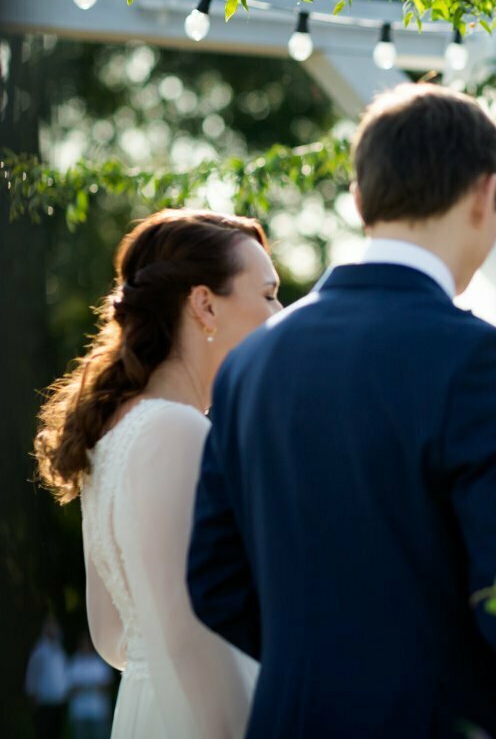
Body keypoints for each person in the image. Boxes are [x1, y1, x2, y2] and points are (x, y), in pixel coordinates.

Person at [187, 83, 496, 739]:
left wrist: (319, 668)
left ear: (360, 198)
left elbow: (214, 579)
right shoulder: (477, 358)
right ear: (485, 195)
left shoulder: (252, 362)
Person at [33, 208, 276, 738]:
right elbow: (191, 635)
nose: (280, 313)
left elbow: (112, 638)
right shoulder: (176, 431)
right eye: (268, 294)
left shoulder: (114, 435)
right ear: (205, 305)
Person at [24, 614, 69, 739]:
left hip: (58, 704)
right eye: (50, 625)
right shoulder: (39, 652)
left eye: (55, 625)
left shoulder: (60, 651)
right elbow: (32, 676)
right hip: (43, 704)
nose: (53, 628)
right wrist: (33, 698)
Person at [67, 631, 115, 739]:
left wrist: (96, 687)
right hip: (80, 713)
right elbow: (68, 687)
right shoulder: (74, 662)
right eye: (83, 644)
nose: (85, 646)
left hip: (98, 712)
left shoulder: (100, 663)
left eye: (87, 644)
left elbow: (108, 686)